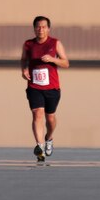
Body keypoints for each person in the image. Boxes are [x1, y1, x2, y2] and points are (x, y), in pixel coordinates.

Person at [20, 16, 70, 162]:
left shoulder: (55, 43)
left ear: (48, 28)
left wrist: (53, 59)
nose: (40, 30)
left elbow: (66, 63)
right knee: (37, 114)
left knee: (50, 117)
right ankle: (40, 146)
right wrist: (24, 70)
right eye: (38, 27)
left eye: (43, 27)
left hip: (52, 87)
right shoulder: (28, 44)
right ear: (34, 28)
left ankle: (49, 137)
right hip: (34, 86)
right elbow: (24, 60)